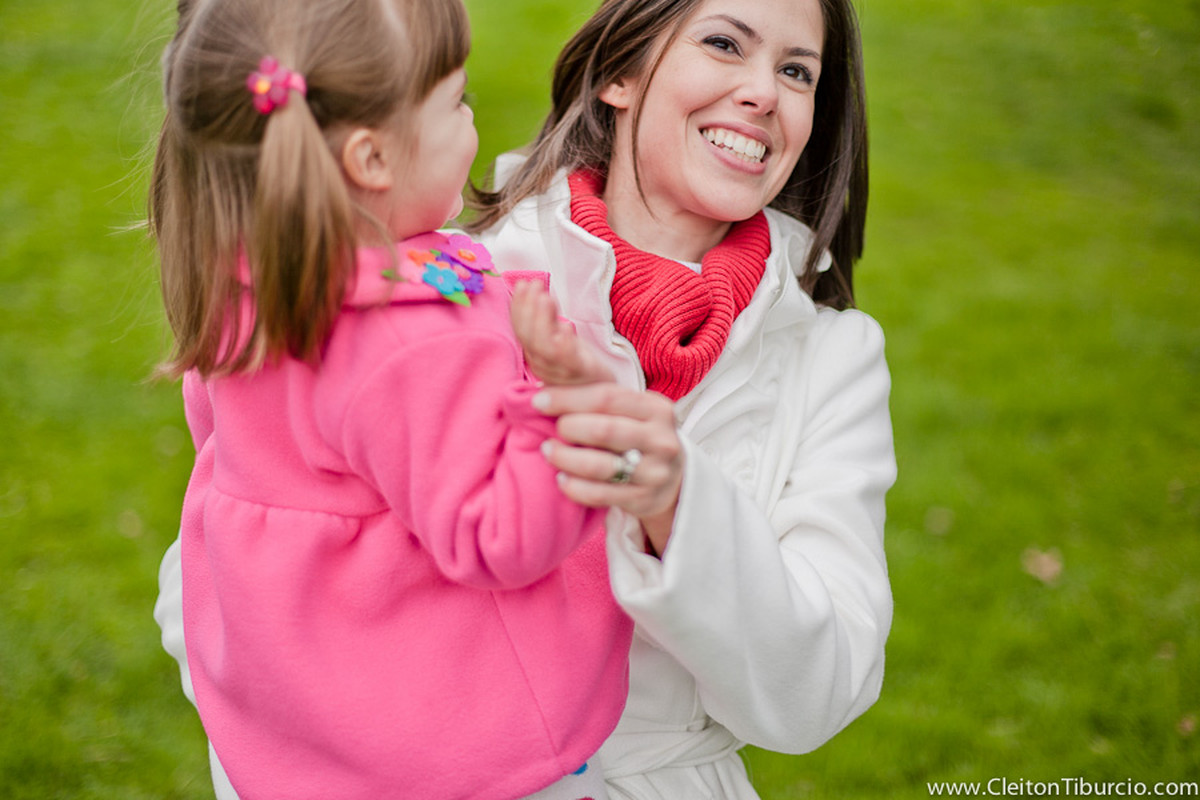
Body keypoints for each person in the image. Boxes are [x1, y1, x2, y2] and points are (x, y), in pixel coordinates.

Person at [147, 0, 632, 798]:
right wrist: (566, 399)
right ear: (372, 158)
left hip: (295, 734)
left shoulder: (249, 283)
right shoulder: (413, 345)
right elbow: (499, 534)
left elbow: (221, 441)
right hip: (463, 754)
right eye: (457, 101)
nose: (472, 121)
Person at [469, 0, 897, 796]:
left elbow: (821, 690)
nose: (763, 92)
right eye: (725, 43)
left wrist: (678, 507)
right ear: (621, 72)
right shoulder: (470, 288)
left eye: (796, 71)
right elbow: (253, 576)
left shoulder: (834, 357)